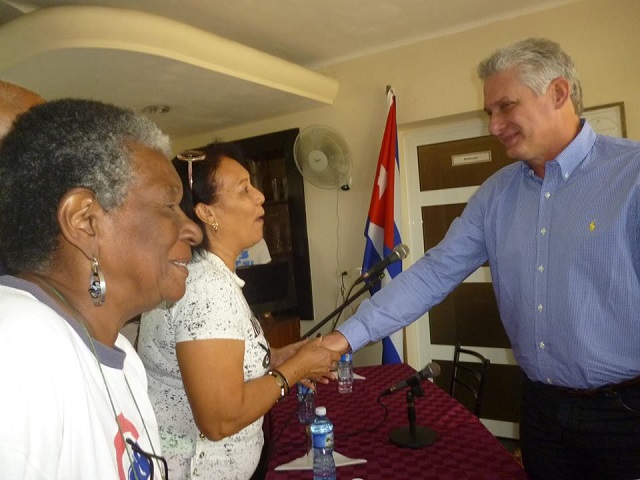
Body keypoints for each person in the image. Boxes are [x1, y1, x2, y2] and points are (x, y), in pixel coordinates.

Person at [323, 37, 640, 480]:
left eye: (506, 107)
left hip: (627, 414)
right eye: (490, 111)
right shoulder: (496, 194)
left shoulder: (632, 176)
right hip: (540, 408)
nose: (493, 125)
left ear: (558, 94)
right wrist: (339, 341)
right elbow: (434, 273)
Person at [0, 98, 203, 479]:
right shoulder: (16, 345)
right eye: (169, 205)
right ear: (85, 221)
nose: (191, 229)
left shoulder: (119, 352)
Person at [138, 142, 339, 480]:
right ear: (207, 213)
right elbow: (219, 419)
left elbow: (220, 367)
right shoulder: (205, 288)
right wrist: (296, 368)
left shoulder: (209, 274)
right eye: (244, 189)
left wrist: (279, 358)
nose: (260, 196)